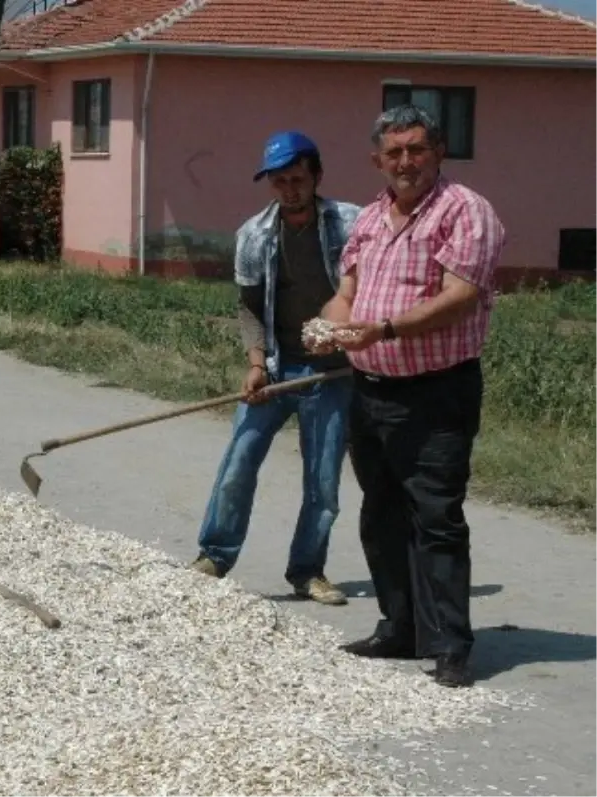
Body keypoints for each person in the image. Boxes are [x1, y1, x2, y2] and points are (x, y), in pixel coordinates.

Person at [313, 104, 506, 688]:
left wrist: (387, 328)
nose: (406, 162)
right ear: (377, 161)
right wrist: (329, 328)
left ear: (438, 152)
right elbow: (344, 294)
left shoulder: (466, 211)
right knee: (381, 513)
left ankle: (450, 644)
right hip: (369, 389)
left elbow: (461, 297)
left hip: (436, 393)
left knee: (436, 516)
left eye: (417, 149)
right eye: (394, 153)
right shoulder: (369, 218)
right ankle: (399, 627)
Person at [189, 131, 360, 606]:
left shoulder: (353, 226)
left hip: (331, 374)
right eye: (278, 181)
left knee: (323, 480)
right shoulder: (255, 234)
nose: (288, 189)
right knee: (239, 460)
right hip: (278, 369)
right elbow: (248, 307)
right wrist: (255, 363)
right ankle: (215, 555)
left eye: (297, 179)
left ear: (317, 176)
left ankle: (308, 571)